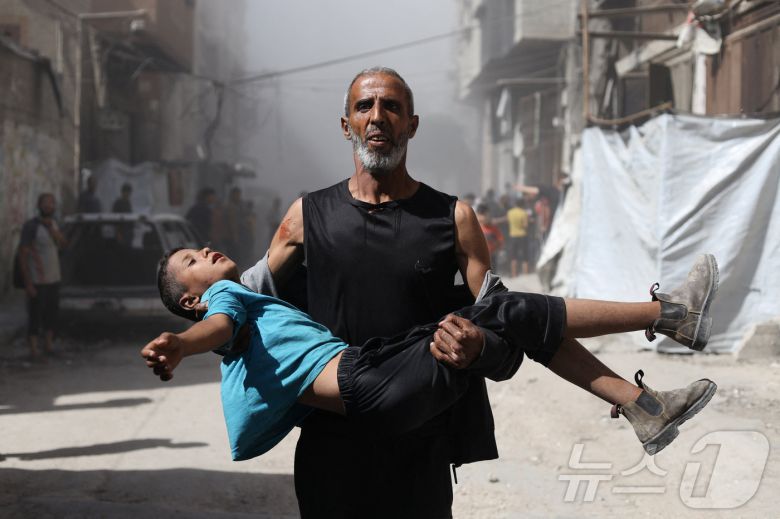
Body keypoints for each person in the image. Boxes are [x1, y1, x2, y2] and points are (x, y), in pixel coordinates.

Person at [142, 247, 718, 464]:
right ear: (192, 300)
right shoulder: (228, 300)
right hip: (370, 379)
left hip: (375, 378)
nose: (205, 251)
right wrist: (181, 344)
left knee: (513, 317)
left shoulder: (249, 333)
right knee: (508, 309)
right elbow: (218, 325)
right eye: (191, 260)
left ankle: (644, 407)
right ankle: (669, 314)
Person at [259, 67, 499, 518]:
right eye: (364, 106)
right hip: (331, 441)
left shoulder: (453, 218)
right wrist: (190, 323)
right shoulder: (307, 215)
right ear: (346, 125)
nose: (377, 116)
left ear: (412, 124)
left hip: (420, 443)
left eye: (391, 106)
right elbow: (249, 302)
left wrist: (477, 343)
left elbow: (498, 318)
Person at [18, 193, 67, 359]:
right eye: (45, 203)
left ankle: (48, 346)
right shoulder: (31, 227)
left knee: (51, 315)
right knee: (35, 316)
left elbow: (64, 243)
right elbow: (23, 255)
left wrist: (52, 230)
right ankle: (33, 351)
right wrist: (28, 283)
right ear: (39, 205)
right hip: (37, 280)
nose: (49, 206)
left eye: (51, 203)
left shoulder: (55, 224)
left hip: (54, 279)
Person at [506, 198, 529, 277]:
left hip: (513, 235)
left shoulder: (509, 212)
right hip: (522, 235)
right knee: (525, 255)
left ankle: (514, 274)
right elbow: (525, 225)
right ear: (522, 204)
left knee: (513, 256)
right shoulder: (524, 212)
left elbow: (508, 222)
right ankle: (525, 273)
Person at [476, 203, 504, 268]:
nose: (484, 218)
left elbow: (500, 240)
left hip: (492, 256)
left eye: (486, 215)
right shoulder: (474, 228)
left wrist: (500, 250)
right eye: (482, 215)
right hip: (478, 257)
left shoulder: (494, 228)